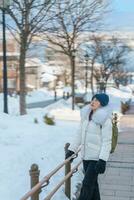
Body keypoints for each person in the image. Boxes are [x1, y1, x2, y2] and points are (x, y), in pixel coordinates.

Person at [65, 93, 112, 200]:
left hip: (96, 158)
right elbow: (79, 134)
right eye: (93, 99)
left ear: (102, 104)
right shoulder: (86, 115)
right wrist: (72, 150)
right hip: (86, 156)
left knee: (86, 185)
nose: (93, 101)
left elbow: (107, 141)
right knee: (93, 185)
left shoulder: (105, 120)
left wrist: (103, 160)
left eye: (97, 100)